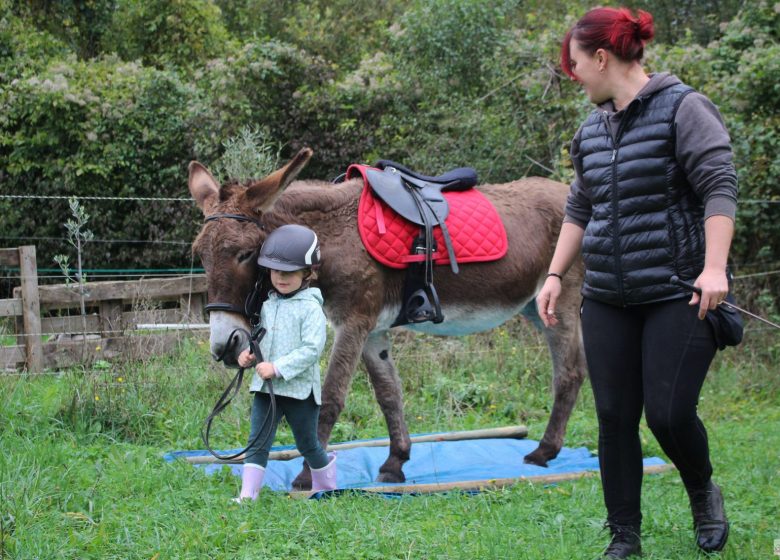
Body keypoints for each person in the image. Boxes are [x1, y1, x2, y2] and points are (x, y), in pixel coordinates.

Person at [536, 6, 737, 559]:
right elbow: (581, 204)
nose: (573, 75)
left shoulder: (685, 108)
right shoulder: (592, 129)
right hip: (607, 296)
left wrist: (714, 267)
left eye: (575, 64)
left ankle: (701, 488)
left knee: (668, 414)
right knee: (614, 418)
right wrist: (554, 273)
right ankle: (625, 534)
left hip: (679, 290)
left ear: (601, 58)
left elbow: (719, 186)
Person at [235, 224, 336, 501]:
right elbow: (263, 338)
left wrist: (278, 368)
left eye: (289, 272)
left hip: (298, 390)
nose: (281, 277)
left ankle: (326, 489)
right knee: (257, 441)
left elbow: (312, 349)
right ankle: (247, 496)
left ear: (307, 273)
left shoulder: (311, 308)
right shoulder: (268, 305)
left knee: (308, 443)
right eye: (276, 271)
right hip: (266, 388)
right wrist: (250, 353)